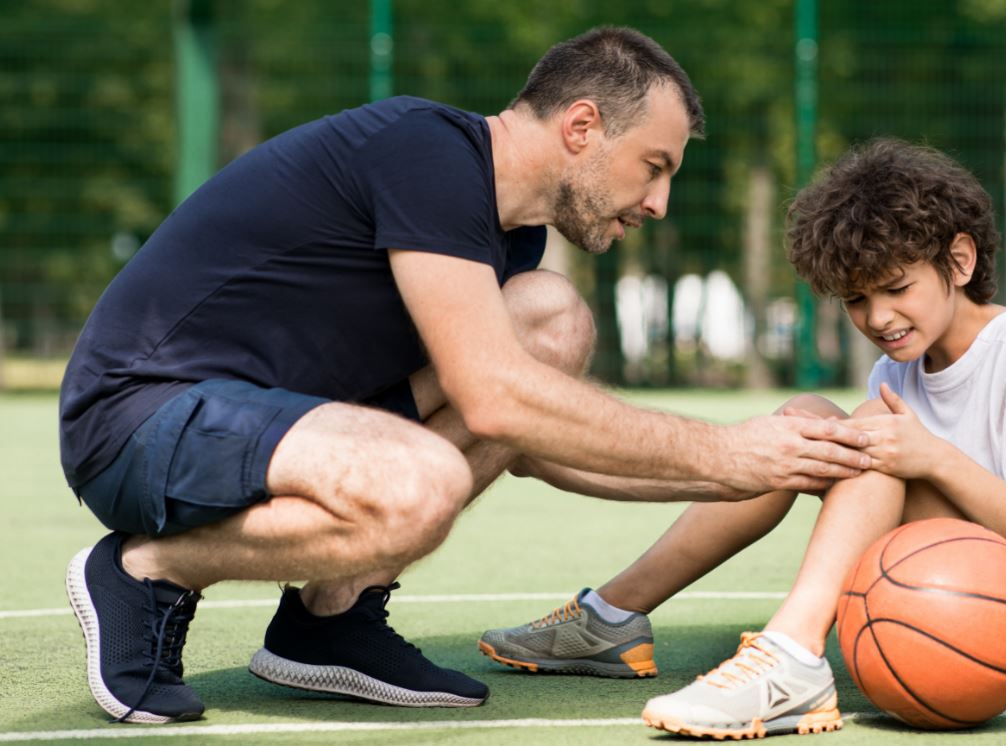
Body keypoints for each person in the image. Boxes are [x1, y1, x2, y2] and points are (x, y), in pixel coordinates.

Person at [59, 27, 873, 724]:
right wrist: (724, 450)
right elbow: (494, 397)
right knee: (420, 483)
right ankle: (146, 571)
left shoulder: (507, 237)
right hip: (141, 417)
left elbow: (527, 438)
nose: (658, 202)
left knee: (549, 319)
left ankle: (328, 618)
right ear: (583, 126)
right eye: (652, 165)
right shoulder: (428, 152)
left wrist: (763, 472)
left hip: (270, 417)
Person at [480, 138, 1006, 739]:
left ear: (958, 261)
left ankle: (791, 657)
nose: (877, 317)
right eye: (854, 300)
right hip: (957, 580)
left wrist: (933, 458)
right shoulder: (897, 370)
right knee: (805, 421)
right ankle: (612, 617)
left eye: (896, 288)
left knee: (870, 441)